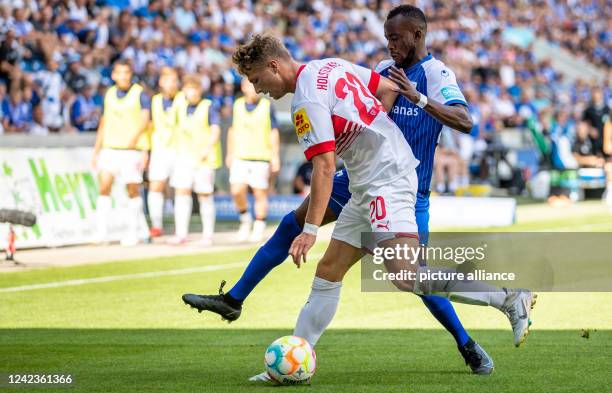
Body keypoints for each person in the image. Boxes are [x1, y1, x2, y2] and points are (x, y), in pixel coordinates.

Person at [184, 31, 534, 378]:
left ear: (275, 66)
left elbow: (324, 167)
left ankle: (507, 298)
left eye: (258, 80)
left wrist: (309, 230)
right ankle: (290, 367)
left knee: (405, 275)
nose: (259, 89)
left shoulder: (305, 101)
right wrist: (368, 130)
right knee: (328, 272)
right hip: (367, 180)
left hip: (387, 179)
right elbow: (385, 90)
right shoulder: (329, 65)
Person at [91, 60, 151, 246]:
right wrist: (96, 149)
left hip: (130, 151)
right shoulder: (108, 94)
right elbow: (104, 122)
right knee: (104, 187)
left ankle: (134, 232)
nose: (124, 76)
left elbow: (145, 121)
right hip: (110, 149)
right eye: (120, 73)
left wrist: (141, 148)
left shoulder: (139, 94)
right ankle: (101, 232)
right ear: (113, 75)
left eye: (127, 72)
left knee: (133, 190)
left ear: (131, 74)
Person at [167, 74, 221, 245]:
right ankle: (181, 233)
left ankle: (207, 235)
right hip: (184, 157)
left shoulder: (208, 106)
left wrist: (206, 149)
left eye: (194, 88)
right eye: (188, 88)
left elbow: (215, 130)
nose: (191, 92)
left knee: (204, 195)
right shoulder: (180, 106)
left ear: (200, 90)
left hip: (203, 159)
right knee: (181, 193)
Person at [226, 78, 280, 242]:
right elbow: (232, 131)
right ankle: (245, 220)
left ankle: (259, 225)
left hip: (261, 157)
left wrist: (275, 156)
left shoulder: (267, 106)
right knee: (236, 191)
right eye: (249, 85)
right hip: (240, 156)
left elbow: (273, 132)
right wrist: (230, 153)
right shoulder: (236, 105)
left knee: (260, 193)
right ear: (243, 87)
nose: (252, 88)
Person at [147, 67, 184, 238]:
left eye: (175, 80)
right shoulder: (155, 100)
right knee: (155, 186)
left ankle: (181, 229)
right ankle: (156, 226)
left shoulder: (183, 99)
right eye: (168, 79)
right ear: (161, 82)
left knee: (181, 189)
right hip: (160, 149)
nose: (172, 83)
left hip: (179, 149)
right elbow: (151, 125)